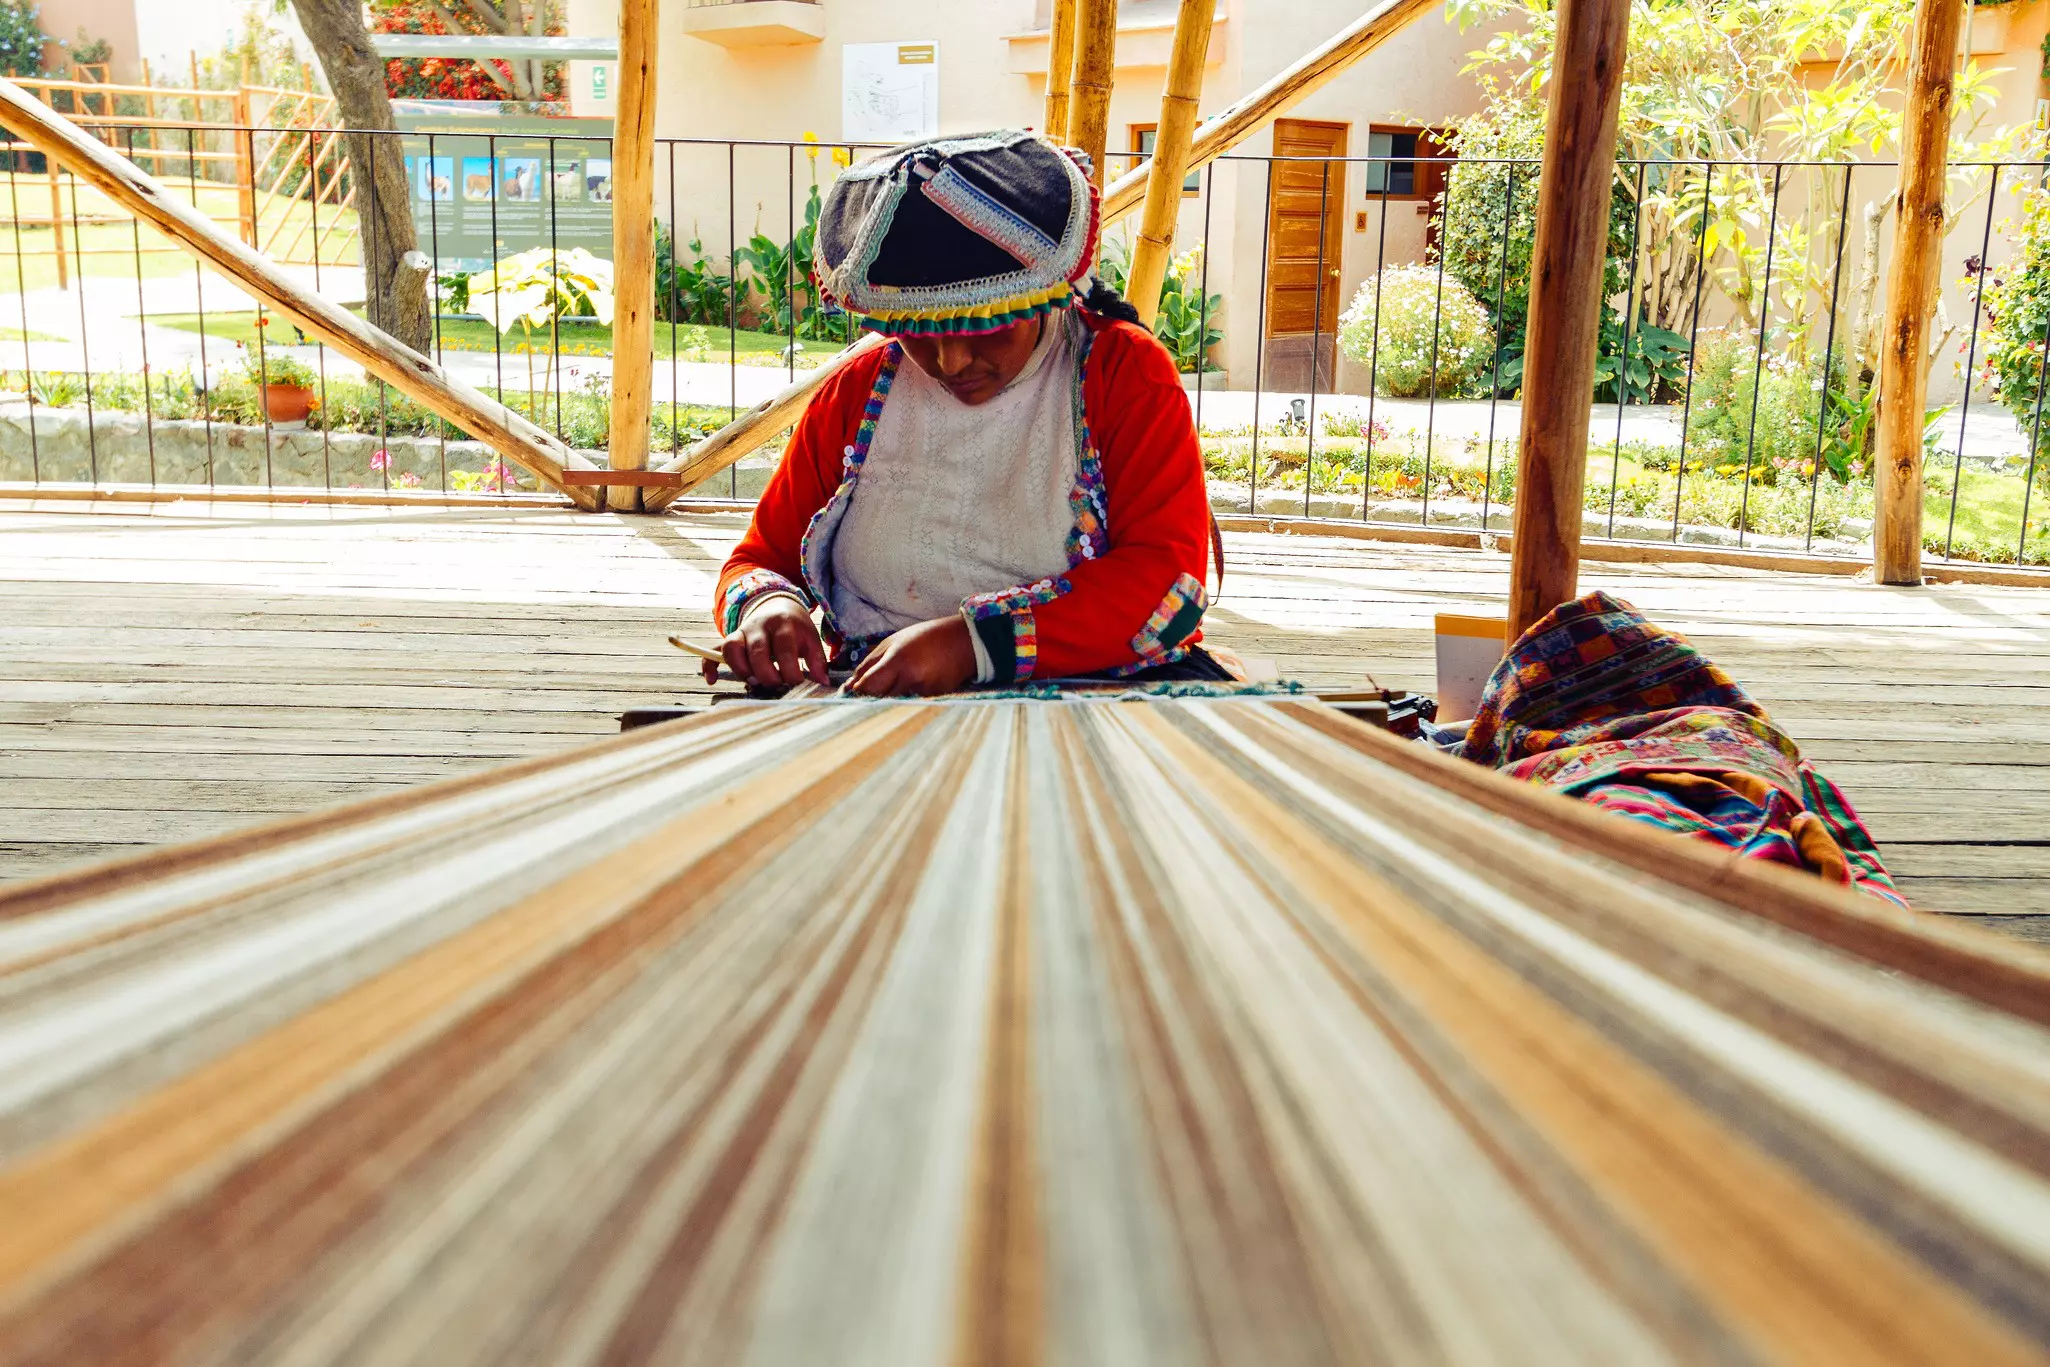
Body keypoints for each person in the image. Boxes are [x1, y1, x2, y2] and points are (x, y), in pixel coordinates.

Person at [706, 129, 1221, 697]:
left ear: (1042, 297)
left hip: (1089, 693)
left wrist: (969, 645)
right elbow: (759, 559)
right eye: (916, 333)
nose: (950, 361)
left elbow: (1168, 588)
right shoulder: (858, 391)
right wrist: (768, 609)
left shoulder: (1122, 374)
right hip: (868, 695)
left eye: (982, 326)